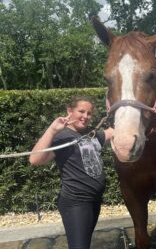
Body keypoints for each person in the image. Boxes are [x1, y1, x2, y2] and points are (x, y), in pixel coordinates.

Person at [29, 96, 113, 249]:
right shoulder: (62, 137)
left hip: (94, 200)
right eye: (81, 111)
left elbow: (111, 133)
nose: (85, 116)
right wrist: (52, 129)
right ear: (69, 111)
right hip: (76, 202)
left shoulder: (91, 134)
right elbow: (35, 160)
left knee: (84, 243)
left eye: (89, 113)